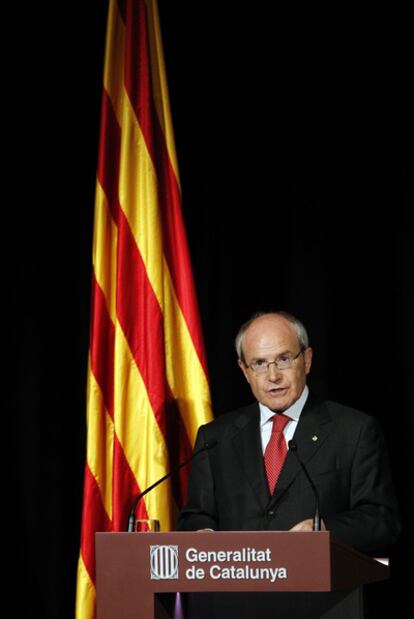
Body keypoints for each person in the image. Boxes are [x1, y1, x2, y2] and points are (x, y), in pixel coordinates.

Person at [177, 311, 401, 555]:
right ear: (244, 371)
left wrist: (323, 530)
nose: (273, 376)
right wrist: (202, 534)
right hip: (237, 589)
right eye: (260, 363)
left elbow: (381, 520)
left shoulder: (354, 431)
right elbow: (197, 516)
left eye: (283, 359)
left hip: (317, 588)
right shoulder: (215, 438)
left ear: (307, 359)